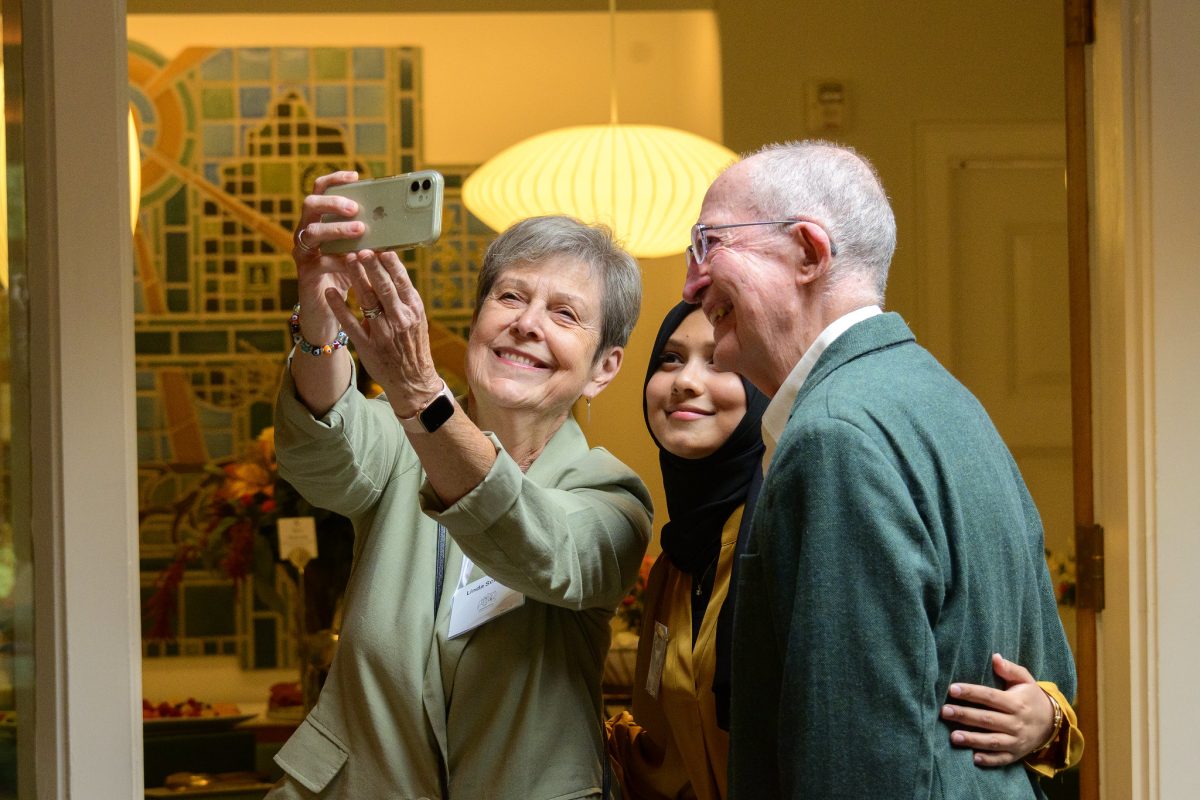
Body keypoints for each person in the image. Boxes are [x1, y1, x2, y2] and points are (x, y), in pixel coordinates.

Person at [680, 141, 1079, 798]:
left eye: (709, 245)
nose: (691, 284)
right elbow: (1053, 687)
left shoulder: (835, 434)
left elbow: (852, 756)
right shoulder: (949, 401)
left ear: (808, 252)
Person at [267, 172, 653, 799]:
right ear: (476, 320)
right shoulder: (400, 444)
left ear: (603, 368)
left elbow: (545, 549)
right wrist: (321, 315)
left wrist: (420, 391)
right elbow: (319, 450)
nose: (528, 324)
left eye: (564, 313)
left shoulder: (612, 496)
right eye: (509, 298)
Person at [606, 302, 1082, 799]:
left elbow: (895, 707)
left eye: (719, 362)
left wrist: (1047, 722)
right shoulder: (675, 564)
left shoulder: (803, 510)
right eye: (669, 359)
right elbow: (665, 754)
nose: (686, 380)